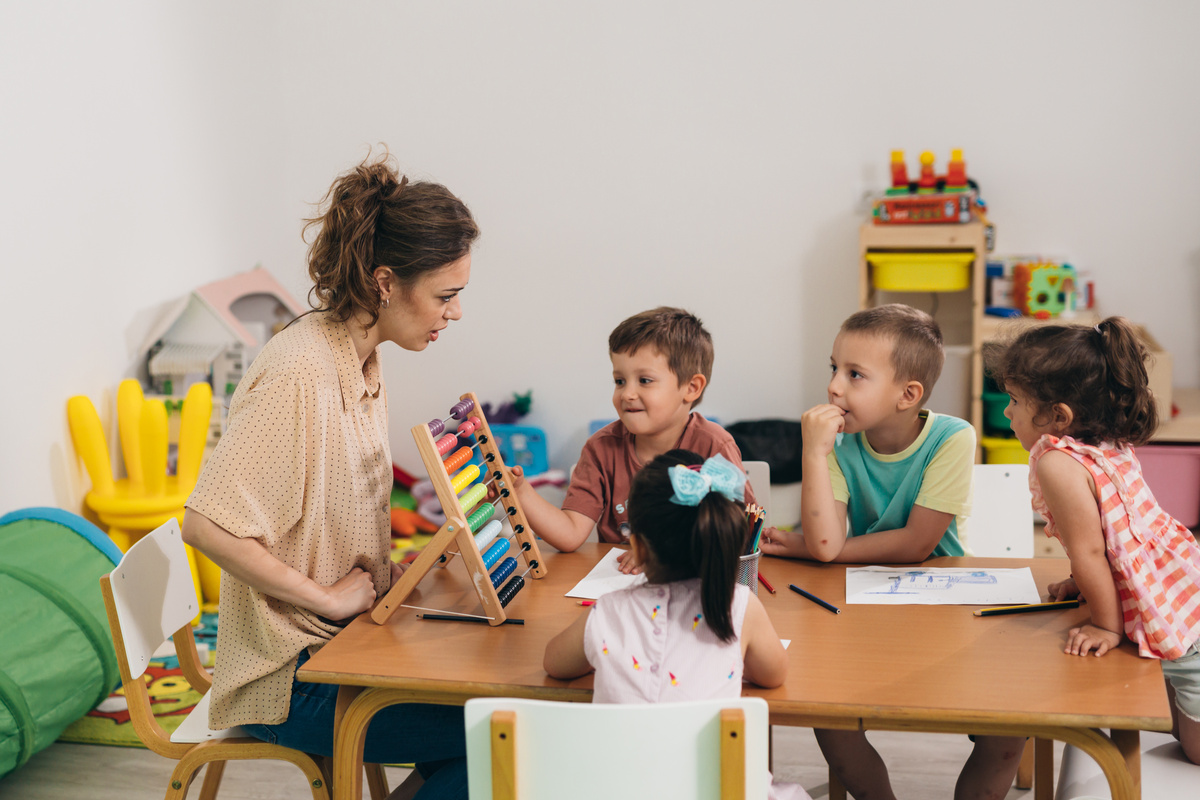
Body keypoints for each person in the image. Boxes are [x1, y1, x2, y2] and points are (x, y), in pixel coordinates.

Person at [182, 150, 478, 799]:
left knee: (491, 711)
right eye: (445, 295)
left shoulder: (363, 361)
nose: (454, 313)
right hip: (286, 681)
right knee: (499, 731)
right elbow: (204, 526)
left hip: (340, 645)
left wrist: (383, 574)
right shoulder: (300, 372)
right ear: (384, 281)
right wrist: (325, 599)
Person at [761, 303, 1024, 800]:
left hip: (947, 611)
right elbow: (823, 542)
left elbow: (916, 543)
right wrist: (813, 454)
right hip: (856, 610)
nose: (834, 387)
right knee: (830, 718)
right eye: (833, 368)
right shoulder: (836, 447)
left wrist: (816, 550)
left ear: (908, 395)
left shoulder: (952, 436)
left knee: (1008, 728)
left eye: (855, 374)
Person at [989, 316, 1200, 764]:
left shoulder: (1057, 464)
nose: (1006, 412)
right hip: (1181, 590)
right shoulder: (1102, 439)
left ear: (1058, 416)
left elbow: (1089, 550)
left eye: (1013, 401)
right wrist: (1080, 582)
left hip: (1181, 623)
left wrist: (1105, 625)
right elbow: (1108, 537)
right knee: (1179, 732)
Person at [543, 450, 807, 799]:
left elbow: (554, 664)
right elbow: (774, 675)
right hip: (717, 790)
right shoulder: (740, 606)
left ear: (637, 548)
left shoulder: (609, 612)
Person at [511, 306, 755, 572]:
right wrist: (521, 491)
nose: (627, 393)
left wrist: (663, 551)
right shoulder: (600, 448)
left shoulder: (714, 446)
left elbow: (740, 533)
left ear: (691, 388)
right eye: (619, 381)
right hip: (620, 588)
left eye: (645, 380)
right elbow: (570, 535)